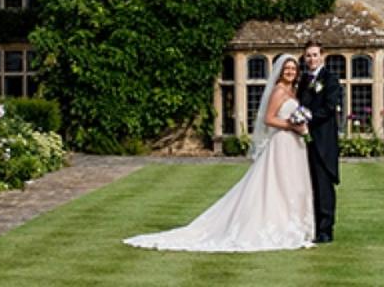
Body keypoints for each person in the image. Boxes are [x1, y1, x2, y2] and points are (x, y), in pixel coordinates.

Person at [123, 55, 315, 252]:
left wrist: (300, 127)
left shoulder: (292, 91)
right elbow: (268, 119)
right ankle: (275, 225)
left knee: (291, 184)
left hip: (294, 145)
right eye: (286, 69)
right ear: (280, 71)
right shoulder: (278, 91)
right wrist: (291, 125)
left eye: (293, 68)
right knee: (277, 184)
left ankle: (292, 223)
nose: (290, 72)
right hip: (282, 143)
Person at [296, 40, 342, 243]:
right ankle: (311, 227)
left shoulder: (330, 80)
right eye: (308, 55)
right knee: (309, 185)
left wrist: (308, 115)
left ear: (322, 56)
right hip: (304, 141)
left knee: (324, 186)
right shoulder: (303, 80)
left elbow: (330, 107)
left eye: (315, 55)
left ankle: (325, 230)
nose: (312, 59)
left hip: (323, 142)